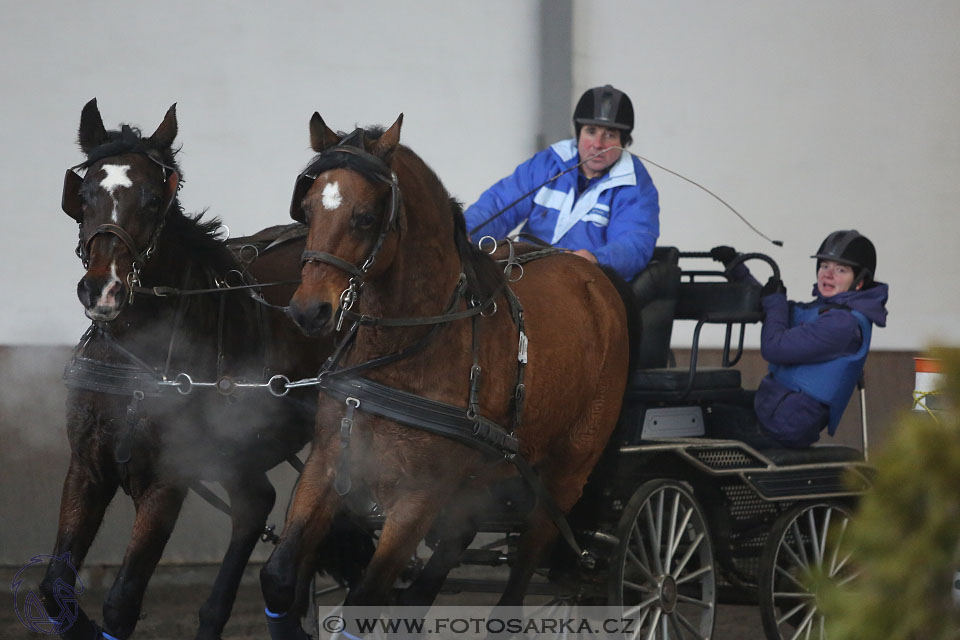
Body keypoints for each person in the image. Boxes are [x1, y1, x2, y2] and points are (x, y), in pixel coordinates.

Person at [708, 230, 889, 449]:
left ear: (859, 282)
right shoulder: (824, 311)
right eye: (824, 266)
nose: (828, 275)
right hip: (778, 406)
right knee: (708, 401)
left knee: (705, 419)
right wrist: (737, 267)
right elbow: (773, 310)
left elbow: (774, 347)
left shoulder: (843, 325)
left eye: (840, 270)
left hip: (786, 424)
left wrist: (775, 301)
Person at [463, 84, 660, 282]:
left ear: (624, 141)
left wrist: (596, 258)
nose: (598, 144)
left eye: (609, 135)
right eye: (591, 131)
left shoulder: (636, 186)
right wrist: (466, 233)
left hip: (589, 283)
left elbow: (635, 241)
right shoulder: (547, 164)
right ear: (578, 132)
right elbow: (498, 205)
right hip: (529, 274)